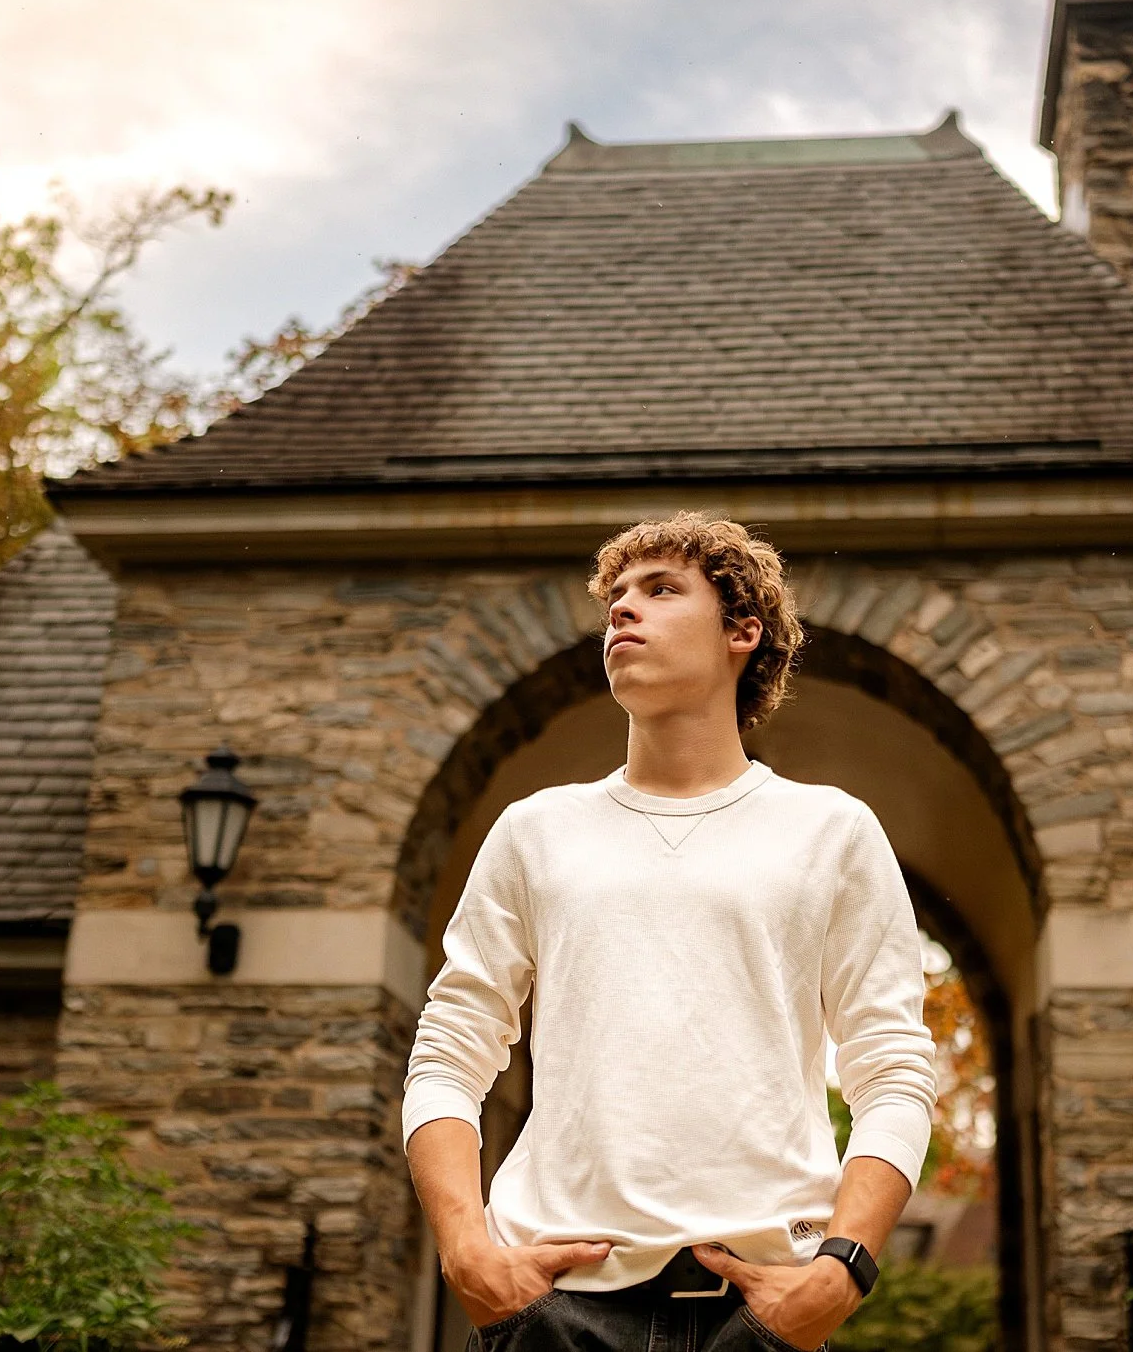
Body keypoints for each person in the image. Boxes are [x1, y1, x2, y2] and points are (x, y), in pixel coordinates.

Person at [402, 512, 938, 1352]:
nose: (621, 610)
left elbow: (895, 1069)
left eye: (659, 590)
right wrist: (469, 1251)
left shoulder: (832, 831)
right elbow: (448, 1050)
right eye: (614, 596)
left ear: (742, 631)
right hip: (554, 1311)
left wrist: (842, 1270)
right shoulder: (534, 831)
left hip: (761, 1313)